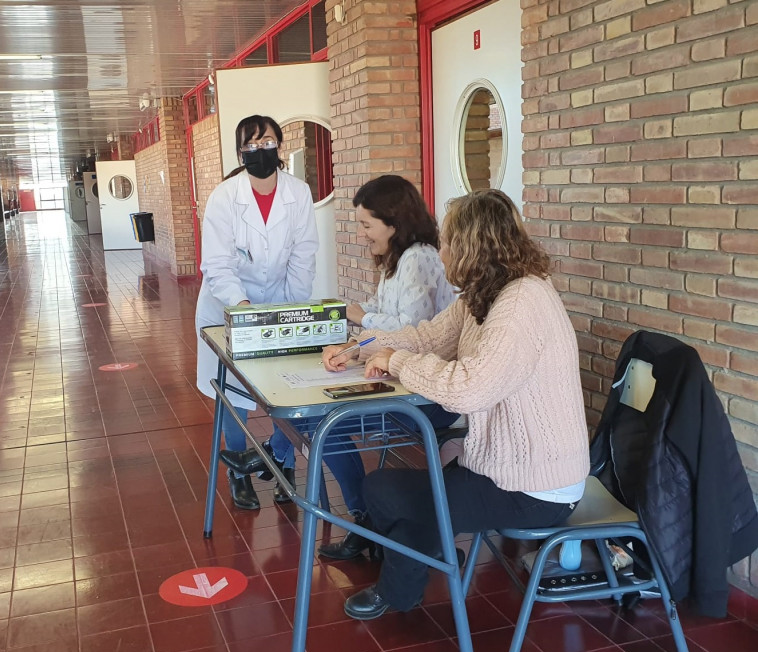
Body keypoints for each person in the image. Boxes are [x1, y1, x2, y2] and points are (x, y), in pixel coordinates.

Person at [321, 189, 590, 620]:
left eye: (447, 241)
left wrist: (397, 362)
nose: (440, 250)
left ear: (470, 246)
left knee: (401, 498)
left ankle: (404, 584)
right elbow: (427, 336)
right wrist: (359, 346)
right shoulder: (486, 293)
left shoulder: (520, 303)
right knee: (396, 492)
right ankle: (424, 563)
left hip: (535, 485)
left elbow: (470, 389)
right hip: (500, 467)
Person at [222, 175, 457, 555]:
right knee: (308, 414)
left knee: (320, 420)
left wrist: (360, 321)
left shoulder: (419, 259)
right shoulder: (397, 259)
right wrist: (350, 346)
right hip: (397, 374)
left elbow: (411, 331)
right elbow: (384, 322)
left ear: (394, 222)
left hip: (425, 393)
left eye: (367, 225)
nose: (362, 234)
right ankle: (359, 518)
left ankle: (360, 519)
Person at [195, 114, 319, 511]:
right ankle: (240, 473)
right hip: (227, 307)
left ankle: (282, 464)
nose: (258, 150)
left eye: (265, 142)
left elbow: (304, 256)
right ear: (239, 152)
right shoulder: (224, 197)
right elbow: (217, 264)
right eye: (249, 145)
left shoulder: (297, 194)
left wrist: (294, 311)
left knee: (288, 386)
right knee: (236, 395)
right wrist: (244, 311)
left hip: (280, 301)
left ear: (278, 145)